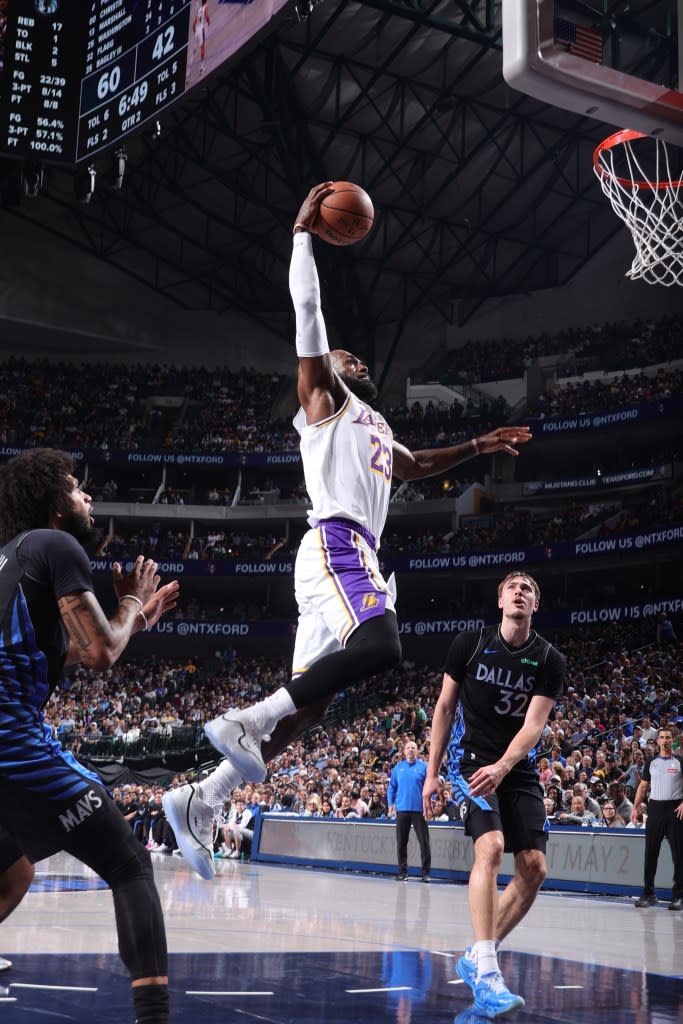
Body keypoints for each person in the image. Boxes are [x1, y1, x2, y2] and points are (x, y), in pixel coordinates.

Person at [164, 182, 532, 880]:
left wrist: (479, 445)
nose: (353, 358)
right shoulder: (323, 400)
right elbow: (308, 310)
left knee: (310, 710)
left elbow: (417, 463)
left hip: (346, 556)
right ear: (322, 369)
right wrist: (303, 234)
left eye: (357, 359)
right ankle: (244, 718)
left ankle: (199, 797)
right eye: (342, 354)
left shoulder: (377, 425)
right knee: (383, 645)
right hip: (337, 543)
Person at [0, 449, 179, 1024]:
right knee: (129, 864)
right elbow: (101, 651)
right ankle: (153, 1018)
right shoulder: (55, 546)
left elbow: (77, 648)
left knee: (14, 872)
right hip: (10, 743)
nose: (88, 499)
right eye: (78, 489)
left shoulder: (9, 560)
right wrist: (128, 601)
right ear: (55, 503)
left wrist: (137, 616)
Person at [423, 571, 565, 1017]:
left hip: (515, 768)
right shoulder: (469, 643)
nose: (520, 592)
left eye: (528, 588)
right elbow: (444, 708)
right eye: (513, 587)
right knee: (492, 847)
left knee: (534, 868)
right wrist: (432, 775)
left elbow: (534, 725)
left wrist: (504, 766)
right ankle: (487, 971)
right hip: (470, 762)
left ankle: (475, 955)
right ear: (500, 598)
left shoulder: (549, 659)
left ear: (535, 605)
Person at [631, 727, 683, 911]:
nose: (665, 740)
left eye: (668, 737)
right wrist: (635, 807)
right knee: (650, 853)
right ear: (658, 741)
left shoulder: (679, 761)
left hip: (675, 810)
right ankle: (649, 894)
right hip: (655, 810)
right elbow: (643, 787)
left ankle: (678, 897)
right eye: (661, 737)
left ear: (673, 740)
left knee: (679, 855)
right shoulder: (651, 763)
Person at [387, 740, 431, 882]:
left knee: (424, 843)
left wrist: (430, 803)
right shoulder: (398, 768)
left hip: (419, 810)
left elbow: (430, 787)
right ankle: (402, 872)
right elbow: (391, 788)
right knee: (401, 843)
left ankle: (425, 874)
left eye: (413, 748)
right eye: (408, 748)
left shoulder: (424, 767)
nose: (411, 750)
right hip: (402, 810)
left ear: (417, 751)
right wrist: (390, 804)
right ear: (404, 751)